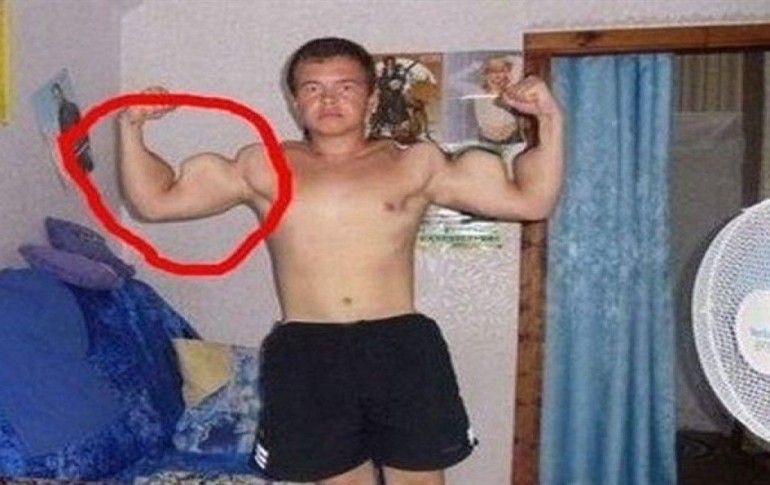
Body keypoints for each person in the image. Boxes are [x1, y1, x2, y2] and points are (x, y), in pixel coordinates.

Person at [118, 37, 563, 485]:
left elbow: (532, 200)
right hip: (308, 349)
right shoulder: (265, 167)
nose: (329, 99)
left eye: (345, 87)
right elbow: (156, 200)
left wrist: (548, 117)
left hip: (400, 344)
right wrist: (131, 125)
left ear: (372, 98)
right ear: (296, 101)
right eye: (313, 88)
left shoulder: (415, 164)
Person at [53, 82, 95, 173]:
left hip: (81, 146)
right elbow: (63, 132)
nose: (57, 98)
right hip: (73, 150)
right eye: (55, 97)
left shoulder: (72, 106)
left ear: (62, 93)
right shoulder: (60, 114)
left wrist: (86, 144)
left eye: (58, 95)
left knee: (89, 168)